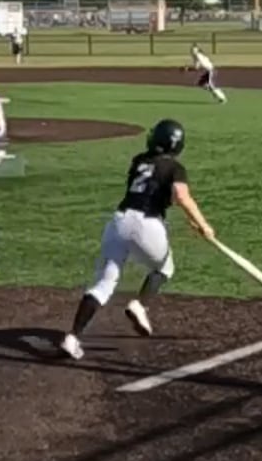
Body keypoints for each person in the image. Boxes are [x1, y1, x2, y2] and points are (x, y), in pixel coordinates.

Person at [59, 119, 216, 360]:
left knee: (103, 284)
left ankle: (72, 337)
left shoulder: (139, 160)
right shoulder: (175, 168)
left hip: (119, 222)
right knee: (164, 268)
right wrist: (203, 225)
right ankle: (140, 305)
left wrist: (192, 221)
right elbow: (181, 196)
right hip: (148, 224)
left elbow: (153, 189)